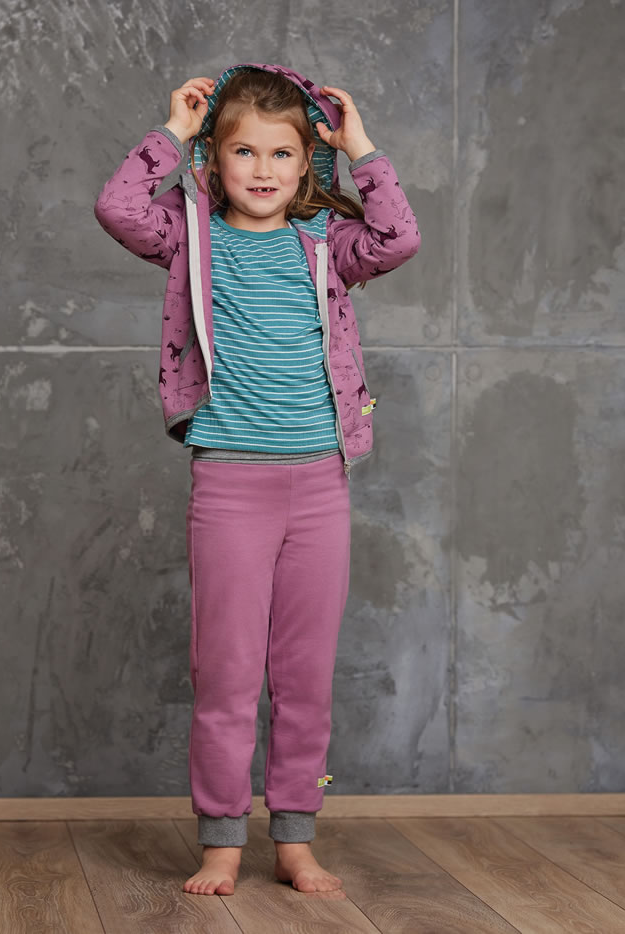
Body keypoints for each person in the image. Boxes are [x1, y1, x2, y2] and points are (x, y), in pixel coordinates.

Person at [94, 63, 420, 896]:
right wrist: (174, 131)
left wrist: (361, 147)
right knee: (227, 673)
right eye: (245, 151)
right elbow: (118, 208)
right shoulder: (190, 236)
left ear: (308, 163)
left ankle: (296, 837)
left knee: (305, 676)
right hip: (231, 485)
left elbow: (397, 238)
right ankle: (221, 841)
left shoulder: (327, 245)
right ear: (216, 159)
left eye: (282, 153)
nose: (264, 169)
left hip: (319, 486)